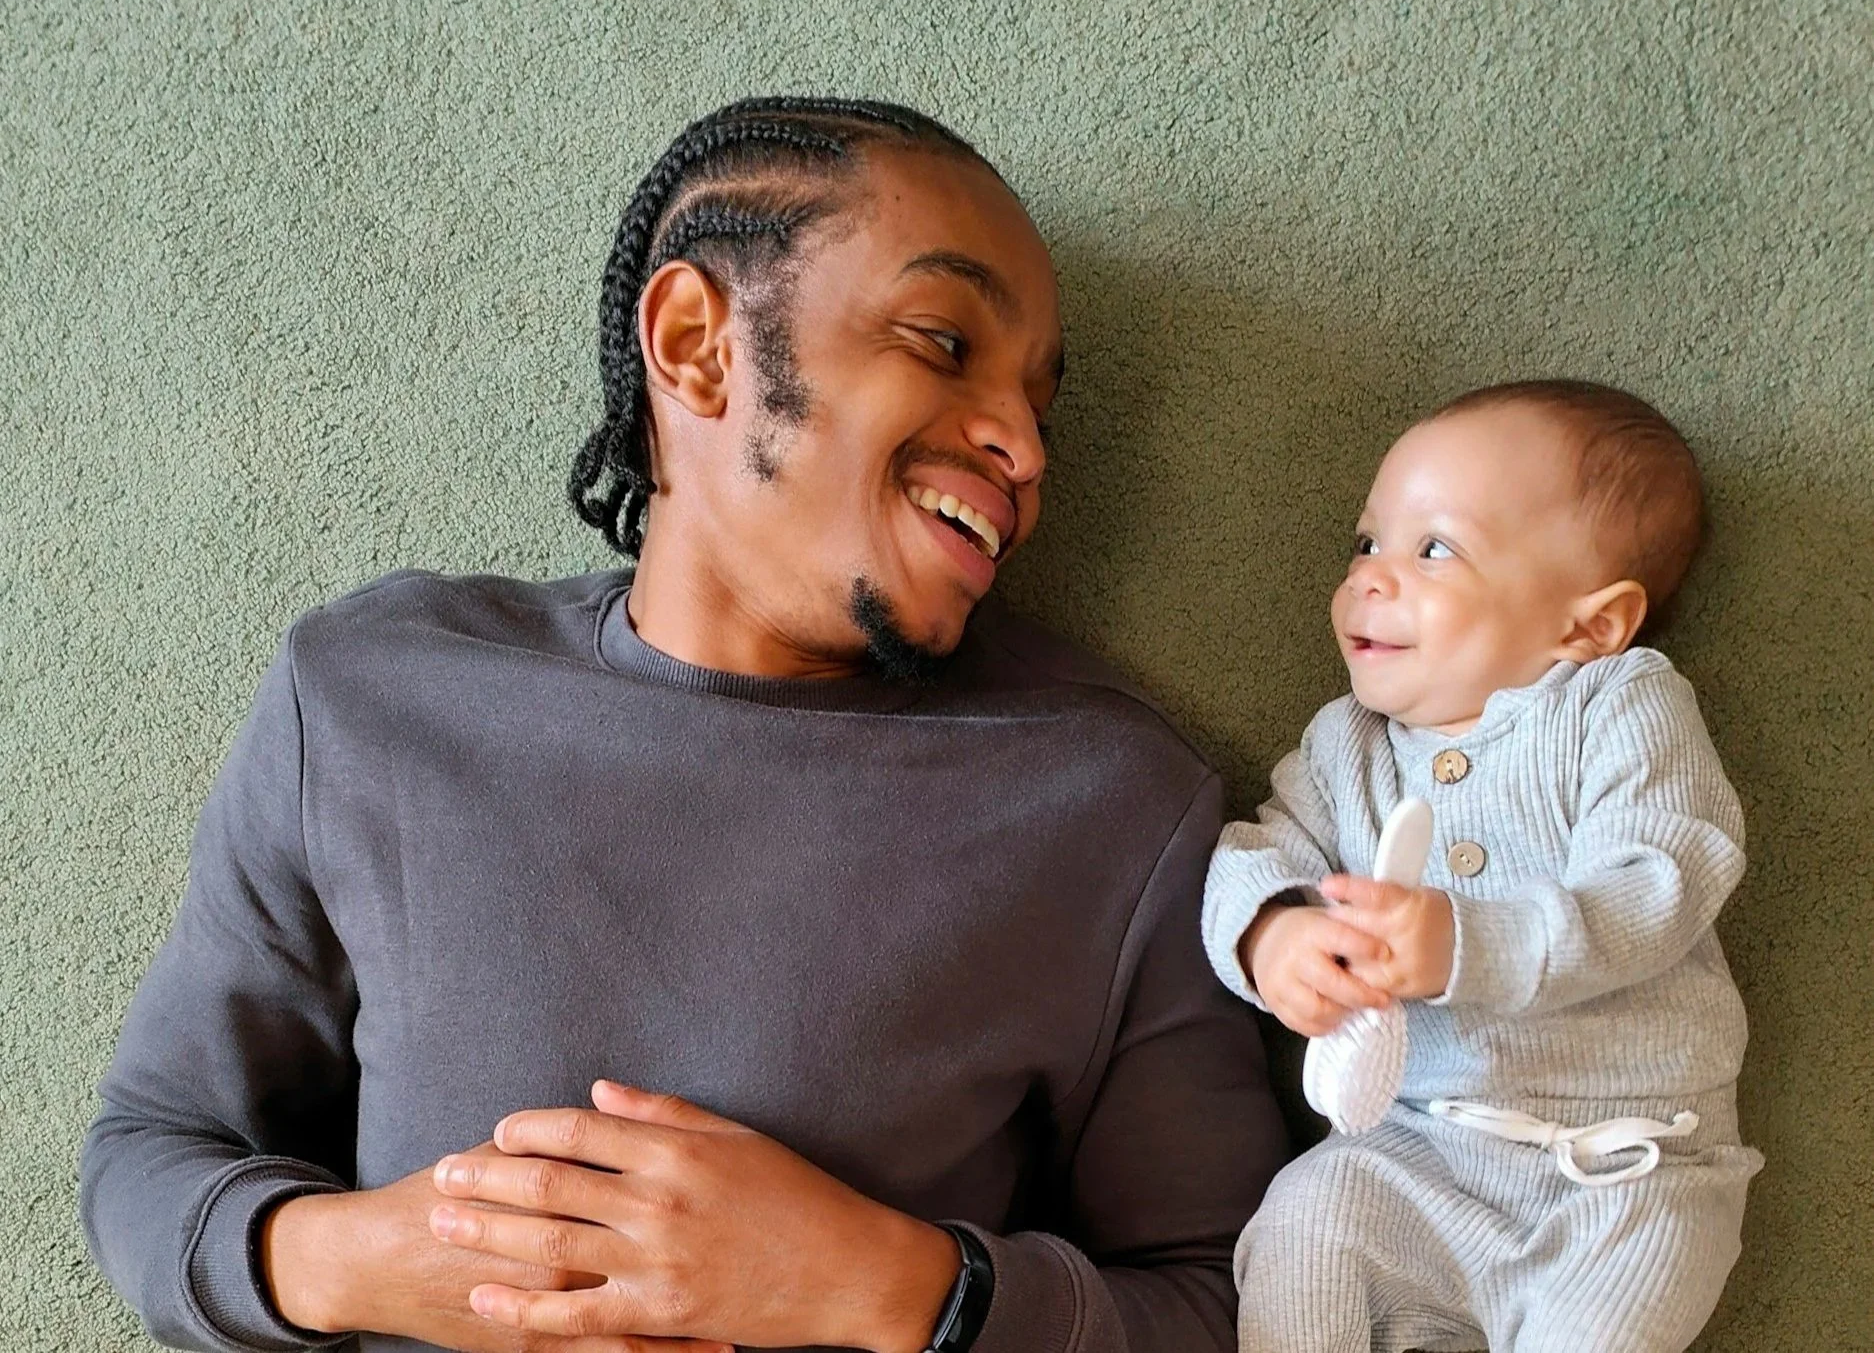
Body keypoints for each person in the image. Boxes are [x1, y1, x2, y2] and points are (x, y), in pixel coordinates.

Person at [81, 96, 1287, 1353]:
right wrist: (356, 1262)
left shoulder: (1111, 805)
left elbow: (1225, 1300)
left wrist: (893, 1284)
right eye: (942, 341)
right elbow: (150, 1145)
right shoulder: (368, 696)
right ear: (696, 343)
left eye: (1041, 406)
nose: (1024, 447)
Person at [1202, 380, 1763, 1353]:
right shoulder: (1347, 746)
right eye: (1365, 540)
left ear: (1586, 627)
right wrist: (1273, 930)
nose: (1369, 577)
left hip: (1628, 1173)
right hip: (1412, 1153)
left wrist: (1469, 940)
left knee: (1604, 1322)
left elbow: (1665, 871)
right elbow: (1255, 852)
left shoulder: (1615, 705)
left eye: (1433, 549)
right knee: (1303, 1220)